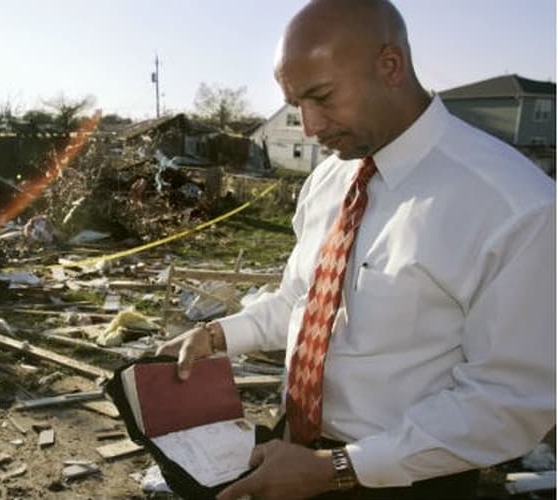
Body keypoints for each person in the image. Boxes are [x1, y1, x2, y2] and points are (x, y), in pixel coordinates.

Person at [157, 0, 556, 499]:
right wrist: (216, 335)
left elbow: (511, 402)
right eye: (296, 103)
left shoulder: (514, 206)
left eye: (322, 97)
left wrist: (337, 469)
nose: (309, 127)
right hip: (291, 453)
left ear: (391, 66)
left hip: (407, 478)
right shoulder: (330, 177)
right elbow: (300, 304)